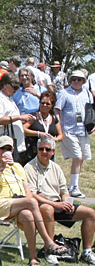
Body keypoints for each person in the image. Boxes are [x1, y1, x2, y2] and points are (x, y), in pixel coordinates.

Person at [0, 134, 65, 266]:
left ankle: (33, 258)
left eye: (8, 149)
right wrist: (1, 168)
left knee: (27, 213)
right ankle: (48, 242)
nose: (5, 151)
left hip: (16, 205)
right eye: (3, 148)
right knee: (31, 202)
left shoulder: (17, 167)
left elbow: (27, 191)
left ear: (12, 151)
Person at [25, 136, 95, 265]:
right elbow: (32, 194)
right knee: (48, 208)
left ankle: (87, 252)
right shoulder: (29, 168)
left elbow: (64, 190)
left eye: (48, 149)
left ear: (53, 152)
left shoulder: (56, 168)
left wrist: (68, 203)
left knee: (90, 213)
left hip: (58, 203)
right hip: (42, 205)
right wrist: (56, 204)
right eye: (41, 149)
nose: (44, 152)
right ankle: (50, 249)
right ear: (37, 150)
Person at [54, 69, 92, 198]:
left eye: (79, 79)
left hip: (82, 130)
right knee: (78, 157)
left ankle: (73, 185)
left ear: (83, 81)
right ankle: (73, 187)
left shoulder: (86, 93)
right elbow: (57, 110)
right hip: (68, 130)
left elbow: (91, 109)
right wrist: (58, 126)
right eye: (74, 79)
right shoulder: (64, 93)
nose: (76, 82)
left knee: (81, 159)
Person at [0, 72, 30, 160]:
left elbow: (10, 118)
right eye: (15, 87)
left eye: (18, 87)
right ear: (5, 85)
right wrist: (19, 117)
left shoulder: (9, 99)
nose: (16, 90)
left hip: (12, 147)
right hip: (0, 148)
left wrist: (23, 120)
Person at [21, 91, 61, 166]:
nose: (44, 105)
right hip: (33, 152)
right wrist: (38, 134)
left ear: (52, 105)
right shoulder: (34, 116)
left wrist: (54, 139)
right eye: (42, 103)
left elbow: (61, 135)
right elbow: (23, 129)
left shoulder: (54, 118)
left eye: (47, 103)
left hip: (48, 153)